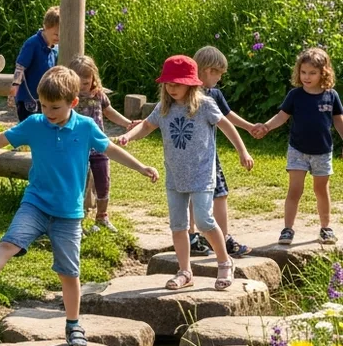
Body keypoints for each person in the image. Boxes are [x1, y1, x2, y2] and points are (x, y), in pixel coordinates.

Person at [0, 66, 159, 346]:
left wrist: (141, 166)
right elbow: (2, 138)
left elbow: (111, 149)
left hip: (69, 213)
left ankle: (73, 325)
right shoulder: (35, 124)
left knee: (69, 274)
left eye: (55, 107)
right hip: (36, 203)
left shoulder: (85, 127)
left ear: (73, 103)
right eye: (43, 105)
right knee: (9, 243)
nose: (48, 112)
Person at [118, 55, 254, 291]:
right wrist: (128, 136)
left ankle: (224, 262)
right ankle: (185, 271)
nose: (171, 88)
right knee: (178, 225)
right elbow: (147, 125)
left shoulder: (205, 106)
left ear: (191, 83)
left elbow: (227, 126)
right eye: (168, 84)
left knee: (204, 220)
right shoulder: (163, 108)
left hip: (202, 175)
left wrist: (242, 151)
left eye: (177, 84)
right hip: (175, 176)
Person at [252, 47, 343, 246]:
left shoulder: (331, 95)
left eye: (312, 73)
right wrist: (266, 127)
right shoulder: (295, 95)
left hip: (323, 152)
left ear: (323, 73)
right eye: (303, 72)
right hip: (298, 151)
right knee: (295, 190)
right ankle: (287, 229)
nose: (307, 77)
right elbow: (282, 117)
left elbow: (338, 121)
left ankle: (326, 228)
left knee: (321, 190)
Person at [185, 46, 261, 257]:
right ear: (209, 70)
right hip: (206, 158)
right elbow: (226, 121)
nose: (219, 79)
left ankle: (192, 237)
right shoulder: (197, 95)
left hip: (185, 156)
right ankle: (223, 238)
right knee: (220, 194)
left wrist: (248, 126)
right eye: (219, 74)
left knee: (191, 195)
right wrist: (243, 151)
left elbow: (228, 116)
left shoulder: (198, 93)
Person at [68, 54, 139, 233]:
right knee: (80, 183)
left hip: (99, 146)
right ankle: (77, 220)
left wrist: (127, 123)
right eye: (78, 83)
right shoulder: (69, 97)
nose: (82, 88)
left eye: (85, 83)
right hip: (77, 147)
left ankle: (102, 216)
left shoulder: (98, 94)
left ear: (93, 78)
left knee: (103, 180)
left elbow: (109, 112)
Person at [9, 7, 59, 123]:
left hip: (45, 97)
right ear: (46, 27)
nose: (58, 38)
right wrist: (15, 86)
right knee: (30, 128)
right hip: (28, 97)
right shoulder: (33, 44)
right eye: (56, 34)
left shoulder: (55, 48)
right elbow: (20, 66)